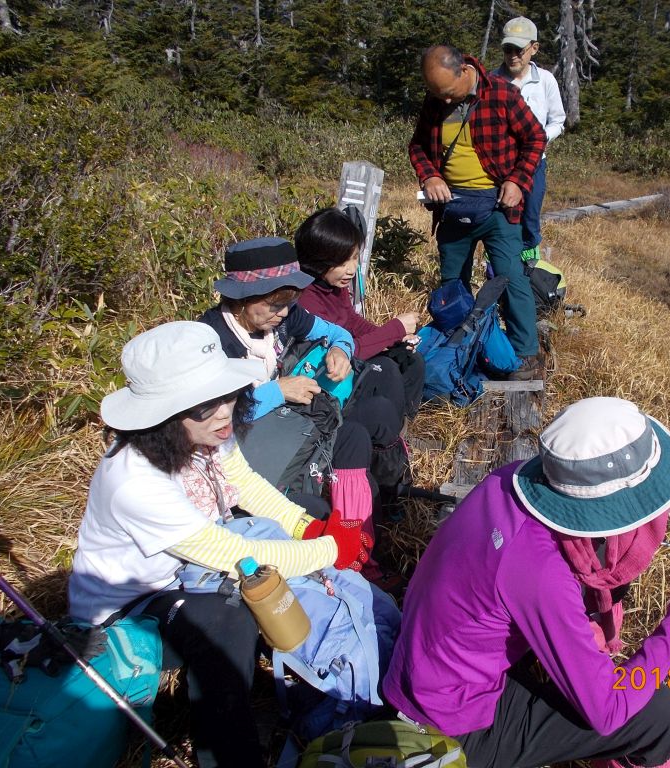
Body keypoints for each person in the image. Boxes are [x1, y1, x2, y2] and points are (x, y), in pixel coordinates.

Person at [68, 321, 371, 768]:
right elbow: (232, 557)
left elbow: (245, 484)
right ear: (163, 416)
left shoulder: (204, 433)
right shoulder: (133, 480)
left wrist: (307, 527)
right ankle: (231, 756)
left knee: (301, 510)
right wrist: (329, 550)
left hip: (189, 567)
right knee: (227, 621)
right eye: (205, 405)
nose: (224, 412)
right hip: (131, 607)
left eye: (228, 395)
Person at [383, 397, 670, 768]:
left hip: (423, 669)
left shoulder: (507, 480)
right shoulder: (539, 571)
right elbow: (607, 711)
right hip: (448, 725)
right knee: (659, 716)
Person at [198, 237, 400, 582]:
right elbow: (214, 418)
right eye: (276, 302)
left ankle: (360, 552)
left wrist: (339, 349)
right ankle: (339, 555)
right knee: (319, 502)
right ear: (241, 298)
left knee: (353, 437)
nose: (285, 311)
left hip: (291, 426)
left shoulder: (283, 318)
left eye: (290, 301)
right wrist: (277, 391)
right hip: (249, 448)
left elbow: (338, 333)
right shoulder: (212, 340)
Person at [409, 44, 546, 381]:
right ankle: (459, 349)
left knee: (511, 277)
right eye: (435, 93)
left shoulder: (502, 95)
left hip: (500, 207)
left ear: (463, 72)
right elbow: (418, 146)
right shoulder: (436, 101)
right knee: (452, 283)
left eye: (446, 92)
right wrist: (430, 175)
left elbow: (535, 138)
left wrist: (517, 181)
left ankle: (525, 355)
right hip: (453, 209)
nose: (442, 100)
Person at [296, 206, 426, 424]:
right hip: (329, 370)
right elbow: (341, 351)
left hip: (351, 355)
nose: (350, 269)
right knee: (386, 370)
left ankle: (403, 424)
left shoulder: (333, 285)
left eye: (355, 258)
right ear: (317, 260)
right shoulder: (306, 299)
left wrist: (395, 338)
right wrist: (394, 329)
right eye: (341, 262)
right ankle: (386, 438)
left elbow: (351, 320)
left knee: (411, 360)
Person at [494, 16, 566, 263]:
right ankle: (503, 261)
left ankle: (530, 264)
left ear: (534, 48)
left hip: (535, 163)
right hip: (501, 163)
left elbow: (558, 120)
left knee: (531, 212)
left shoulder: (545, 80)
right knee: (502, 213)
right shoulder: (493, 81)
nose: (513, 55)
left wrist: (539, 139)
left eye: (519, 50)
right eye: (508, 49)